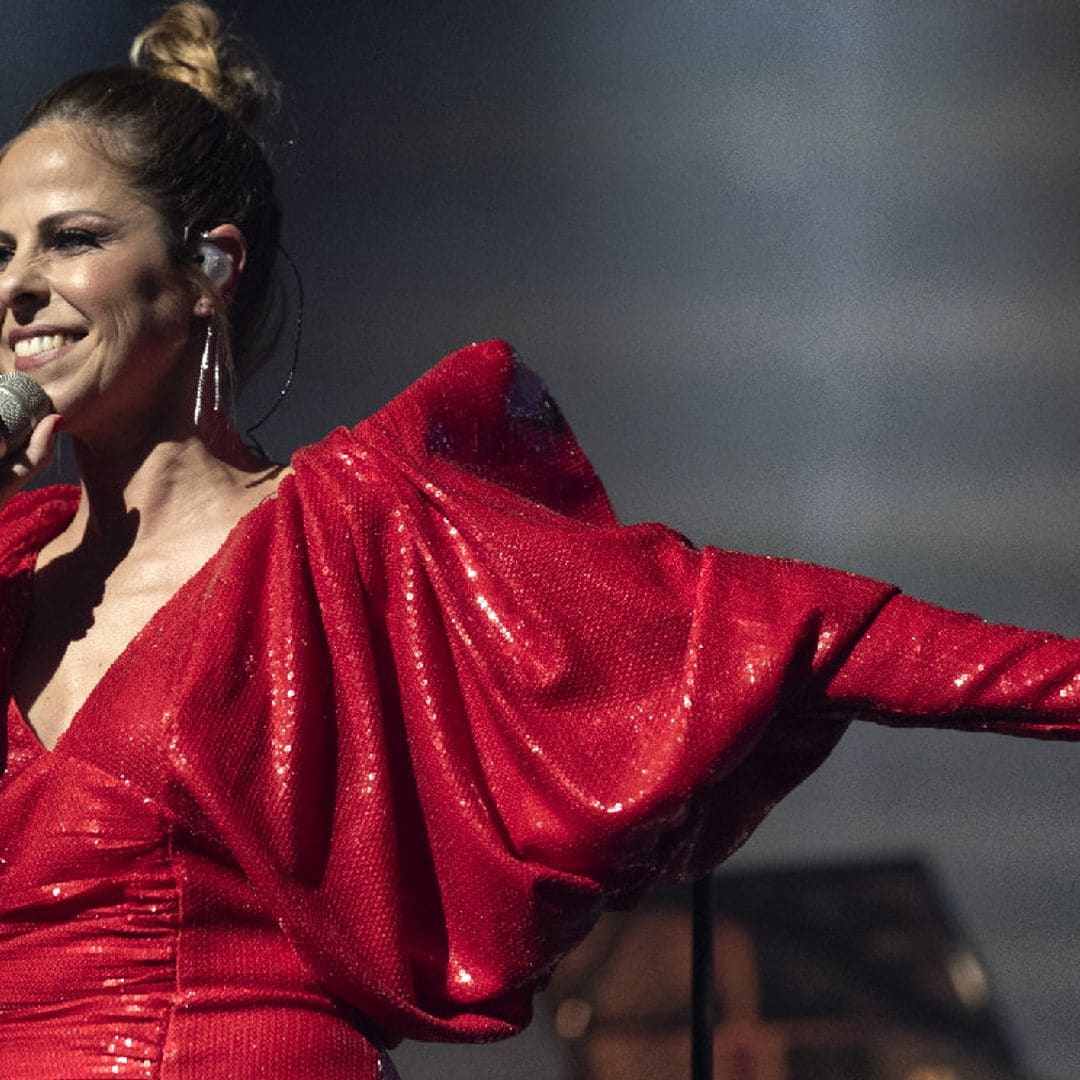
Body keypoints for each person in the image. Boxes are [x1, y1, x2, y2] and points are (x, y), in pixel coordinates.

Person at [0, 3, 1075, 1077]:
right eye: (0, 251)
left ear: (208, 272)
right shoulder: (9, 572)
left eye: (73, 239)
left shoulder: (348, 535)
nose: (17, 286)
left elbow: (788, 627)